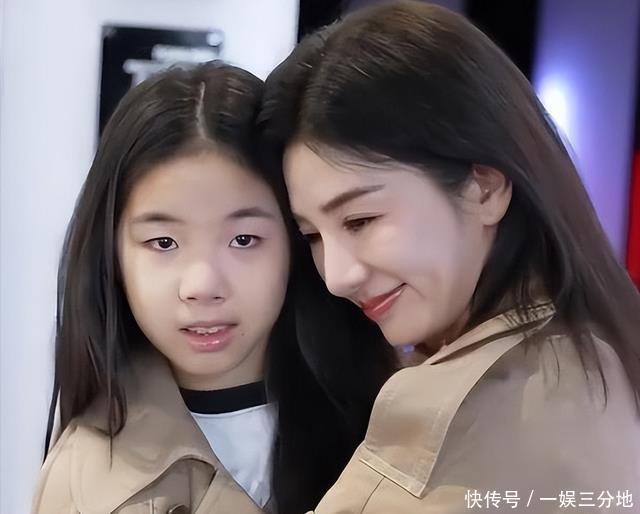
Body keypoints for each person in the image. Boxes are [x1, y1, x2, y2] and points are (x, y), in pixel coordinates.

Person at [259, 2, 640, 512]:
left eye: (360, 220)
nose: (337, 276)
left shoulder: (489, 409)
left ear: (484, 189)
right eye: (311, 236)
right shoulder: (595, 350)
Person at [32, 62, 395, 514]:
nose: (202, 286)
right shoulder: (82, 484)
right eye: (164, 243)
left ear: (297, 241)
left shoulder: (398, 420)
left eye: (243, 240)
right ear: (112, 256)